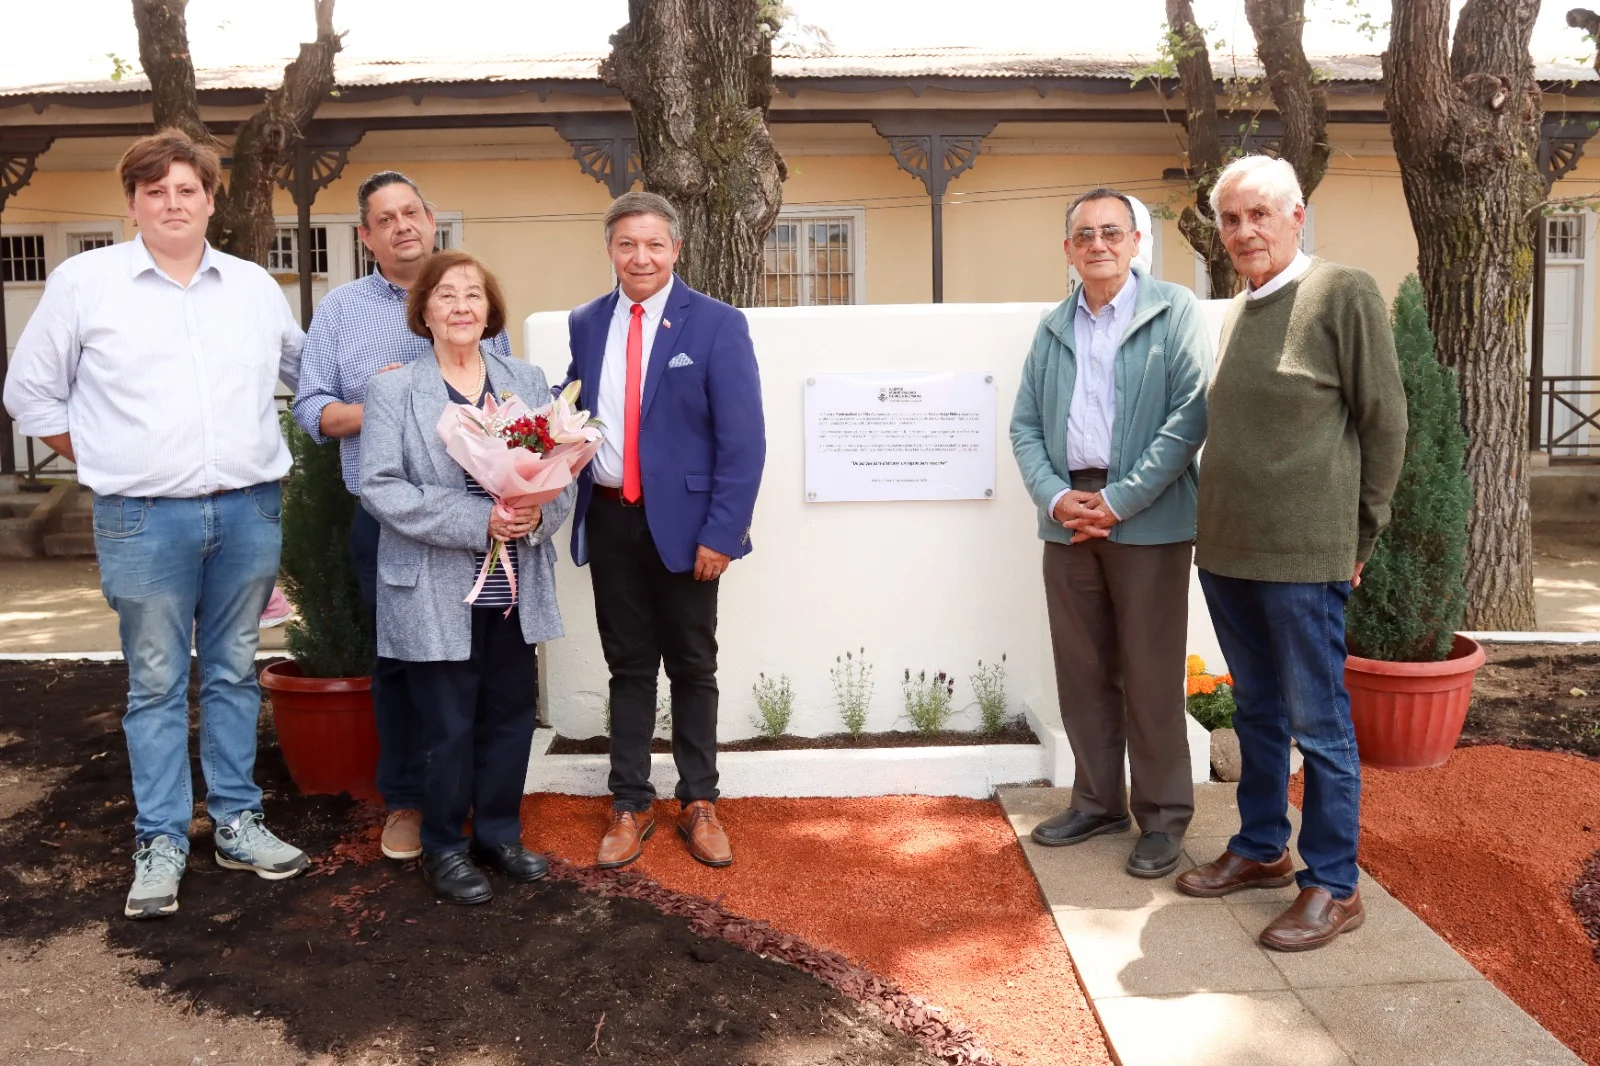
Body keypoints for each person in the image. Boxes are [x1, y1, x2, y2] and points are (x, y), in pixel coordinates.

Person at [3, 128, 309, 919]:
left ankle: (239, 821)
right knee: (157, 683)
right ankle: (163, 837)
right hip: (141, 518)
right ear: (133, 203)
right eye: (155, 191)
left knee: (237, 670)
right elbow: (31, 393)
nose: (172, 203)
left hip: (248, 510)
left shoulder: (250, 286)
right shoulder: (84, 282)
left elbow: (305, 374)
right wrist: (101, 451)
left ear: (212, 200)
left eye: (187, 190)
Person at [1178, 155, 1407, 952]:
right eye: (1231, 220)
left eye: (1259, 215)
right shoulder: (1241, 309)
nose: (1244, 232)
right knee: (1257, 712)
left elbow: (1385, 422)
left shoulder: (1341, 293)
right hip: (1230, 551)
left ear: (1297, 215)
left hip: (1304, 556)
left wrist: (1361, 534)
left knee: (1322, 726)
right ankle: (1261, 848)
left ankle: (1333, 886)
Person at [292, 171, 513, 863]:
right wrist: (390, 406)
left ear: (431, 216)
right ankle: (409, 804)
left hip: (480, 516)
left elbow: (504, 410)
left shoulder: (471, 293)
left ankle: (477, 802)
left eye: (409, 211)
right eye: (382, 219)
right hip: (388, 517)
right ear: (366, 237)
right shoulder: (341, 312)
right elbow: (312, 409)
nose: (400, 226)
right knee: (401, 667)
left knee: (480, 664)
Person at [359, 250, 573, 905]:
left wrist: (529, 517)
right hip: (431, 584)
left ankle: (499, 835)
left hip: (514, 583)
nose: (460, 307)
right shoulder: (394, 389)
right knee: (446, 722)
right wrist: (478, 518)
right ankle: (446, 846)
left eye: (472, 295)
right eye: (446, 295)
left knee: (510, 712)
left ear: (490, 310)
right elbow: (380, 487)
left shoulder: (526, 380)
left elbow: (558, 475)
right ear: (423, 310)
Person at [1010, 187, 1212, 878]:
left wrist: (1120, 500)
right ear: (1068, 250)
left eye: (1111, 232)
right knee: (1084, 668)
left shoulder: (1174, 310)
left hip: (1148, 517)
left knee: (1152, 674)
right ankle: (1098, 801)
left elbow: (1189, 415)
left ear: (1134, 243)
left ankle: (1161, 818)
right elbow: (1026, 426)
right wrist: (1058, 496)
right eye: (1084, 235)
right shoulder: (1052, 326)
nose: (1098, 244)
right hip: (1068, 518)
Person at [561, 192, 765, 870]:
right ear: (610, 250)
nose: (640, 257)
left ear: (676, 249)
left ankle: (699, 801)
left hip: (688, 529)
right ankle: (629, 803)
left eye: (654, 245)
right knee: (627, 666)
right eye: (627, 245)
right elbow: (575, 408)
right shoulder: (587, 323)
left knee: (692, 665)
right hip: (612, 516)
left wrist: (723, 533)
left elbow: (743, 440)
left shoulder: (716, 324)